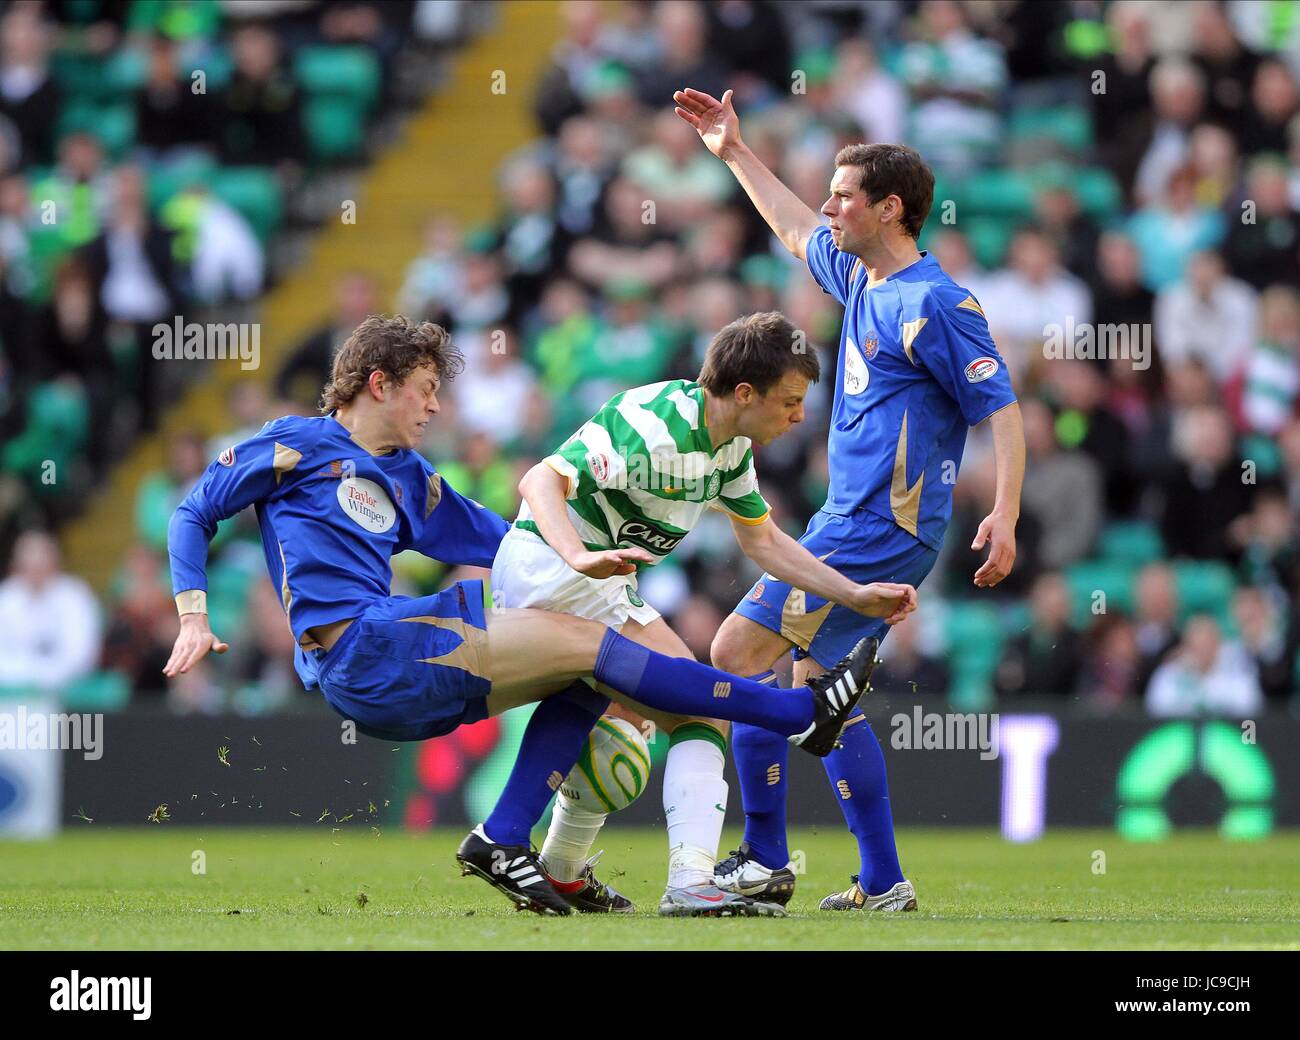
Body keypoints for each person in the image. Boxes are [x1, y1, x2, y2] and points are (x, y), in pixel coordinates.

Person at [164, 315, 885, 916]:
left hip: (391, 658)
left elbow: (507, 540)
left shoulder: (410, 479)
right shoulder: (296, 444)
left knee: (584, 675)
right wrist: (193, 615)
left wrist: (573, 547)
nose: (435, 407)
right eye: (424, 390)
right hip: (362, 647)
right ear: (378, 384)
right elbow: (195, 511)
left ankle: (507, 840)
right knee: (591, 644)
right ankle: (797, 714)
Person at [673, 86, 1024, 912]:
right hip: (858, 521)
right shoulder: (864, 277)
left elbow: (1000, 407)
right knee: (820, 686)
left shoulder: (937, 303)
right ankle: (882, 880)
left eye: (843, 194)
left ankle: (761, 859)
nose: (829, 205)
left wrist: (1003, 512)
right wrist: (732, 149)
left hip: (879, 526)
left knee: (734, 656)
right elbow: (794, 228)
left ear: (890, 208)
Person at [484, 311, 917, 917]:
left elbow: (763, 543)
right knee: (700, 711)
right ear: (744, 394)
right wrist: (579, 556)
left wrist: (852, 595)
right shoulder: (654, 425)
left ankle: (548, 863)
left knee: (612, 723)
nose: (798, 416)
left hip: (590, 584)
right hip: (553, 570)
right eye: (789, 401)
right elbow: (538, 481)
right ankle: (691, 878)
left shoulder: (730, 448)